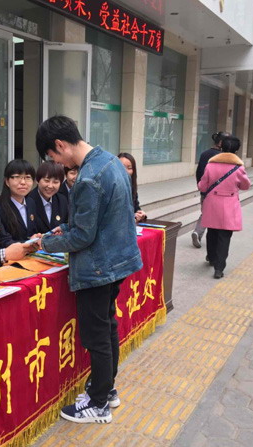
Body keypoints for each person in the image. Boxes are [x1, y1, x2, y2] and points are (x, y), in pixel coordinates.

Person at [35, 116, 142, 424]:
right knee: (107, 328)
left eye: (53, 156)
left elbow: (83, 237)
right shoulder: (110, 161)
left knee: (96, 337)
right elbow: (97, 219)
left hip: (97, 268)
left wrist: (44, 242)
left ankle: (98, 404)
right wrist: (67, 228)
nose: (56, 164)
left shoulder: (87, 178)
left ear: (60, 145)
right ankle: (107, 390)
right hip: (116, 262)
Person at [198, 135, 251, 279]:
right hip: (229, 204)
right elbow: (245, 186)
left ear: (221, 147)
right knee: (225, 236)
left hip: (212, 203)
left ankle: (211, 257)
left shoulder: (210, 165)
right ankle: (219, 268)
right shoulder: (238, 168)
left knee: (212, 231)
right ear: (236, 150)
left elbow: (202, 186)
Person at [191, 131, 231, 249]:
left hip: (205, 190)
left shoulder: (205, 154)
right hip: (219, 192)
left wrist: (201, 188)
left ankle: (198, 232)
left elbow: (199, 172)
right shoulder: (223, 156)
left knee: (206, 212)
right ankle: (201, 234)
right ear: (221, 142)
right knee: (214, 215)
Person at [0, 159, 39, 242]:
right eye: (17, 177)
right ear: (7, 181)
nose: (23, 182)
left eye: (28, 177)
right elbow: (1, 241)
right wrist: (28, 243)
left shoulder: (31, 203)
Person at [28, 161, 69, 234]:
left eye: (55, 182)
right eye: (46, 181)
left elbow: (67, 225)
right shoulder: (28, 200)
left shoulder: (62, 200)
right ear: (37, 180)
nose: (50, 186)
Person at [117, 152, 147, 223]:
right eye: (122, 167)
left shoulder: (132, 188)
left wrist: (140, 214)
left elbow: (136, 208)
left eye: (129, 168)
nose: (125, 171)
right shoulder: (110, 188)